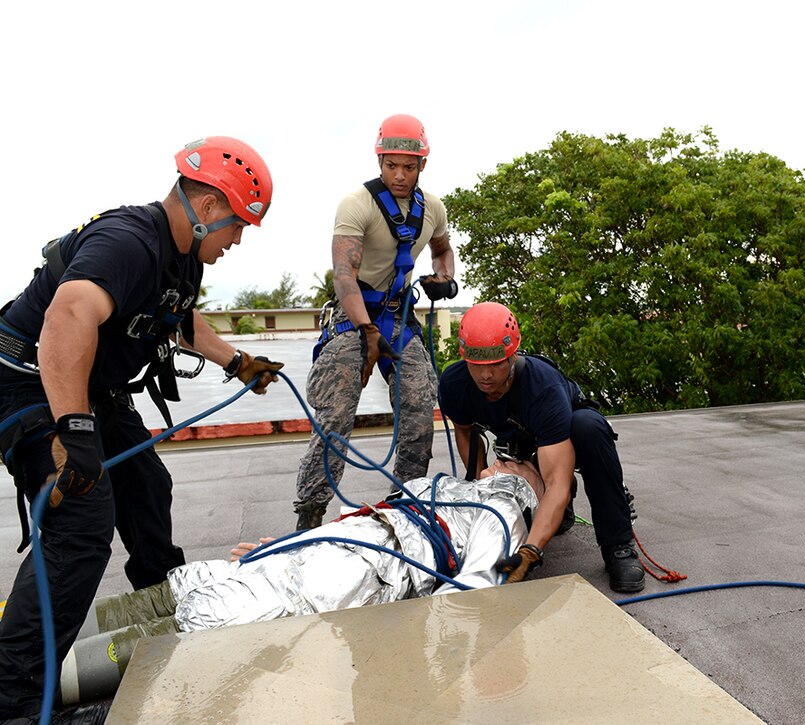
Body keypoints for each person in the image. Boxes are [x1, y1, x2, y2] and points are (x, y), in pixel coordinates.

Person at [0, 136, 283, 719]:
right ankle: (15, 700)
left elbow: (178, 316)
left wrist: (237, 362)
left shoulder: (179, 258)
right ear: (208, 209)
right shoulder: (128, 240)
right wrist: (73, 430)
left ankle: (177, 611)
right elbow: (69, 314)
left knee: (146, 488)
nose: (237, 241)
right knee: (80, 520)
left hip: (91, 388)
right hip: (29, 378)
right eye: (239, 226)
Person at [54, 468, 540, 706]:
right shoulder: (440, 483)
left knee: (203, 613)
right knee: (193, 586)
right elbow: (368, 518)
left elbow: (470, 592)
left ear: (523, 484)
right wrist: (290, 541)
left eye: (515, 467)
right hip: (332, 555)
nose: (499, 463)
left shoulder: (501, 512)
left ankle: (28, 684)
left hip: (350, 574)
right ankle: (30, 652)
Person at [295, 113, 457, 530]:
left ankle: (408, 500)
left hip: (397, 314)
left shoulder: (432, 208)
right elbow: (343, 274)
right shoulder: (357, 205)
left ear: (423, 164)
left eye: (408, 166)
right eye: (390, 165)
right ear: (379, 160)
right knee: (336, 412)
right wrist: (365, 330)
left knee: (421, 402)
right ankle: (310, 511)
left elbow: (442, 249)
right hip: (355, 315)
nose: (399, 175)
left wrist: (445, 277)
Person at [437, 301, 645, 593]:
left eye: (496, 363)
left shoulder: (542, 387)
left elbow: (556, 481)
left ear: (512, 355)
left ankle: (618, 544)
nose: (486, 375)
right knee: (521, 491)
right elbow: (465, 431)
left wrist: (531, 551)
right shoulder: (454, 383)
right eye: (478, 365)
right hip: (520, 438)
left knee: (589, 430)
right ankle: (560, 511)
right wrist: (478, 487)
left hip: (567, 430)